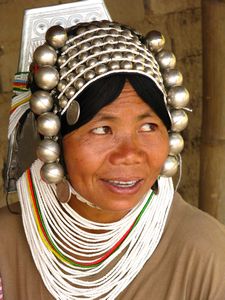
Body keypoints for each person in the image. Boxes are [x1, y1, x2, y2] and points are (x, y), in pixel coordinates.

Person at [0, 18, 225, 300]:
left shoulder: (205, 257)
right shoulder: (6, 247)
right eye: (103, 130)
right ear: (54, 139)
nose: (129, 154)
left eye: (148, 127)